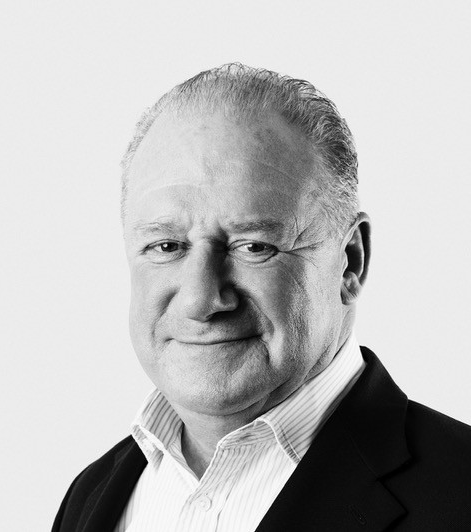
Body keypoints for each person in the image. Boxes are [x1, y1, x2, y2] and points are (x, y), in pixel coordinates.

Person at [52, 64, 471, 532]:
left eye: (253, 246)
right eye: (167, 246)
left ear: (350, 261)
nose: (200, 300)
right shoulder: (91, 497)